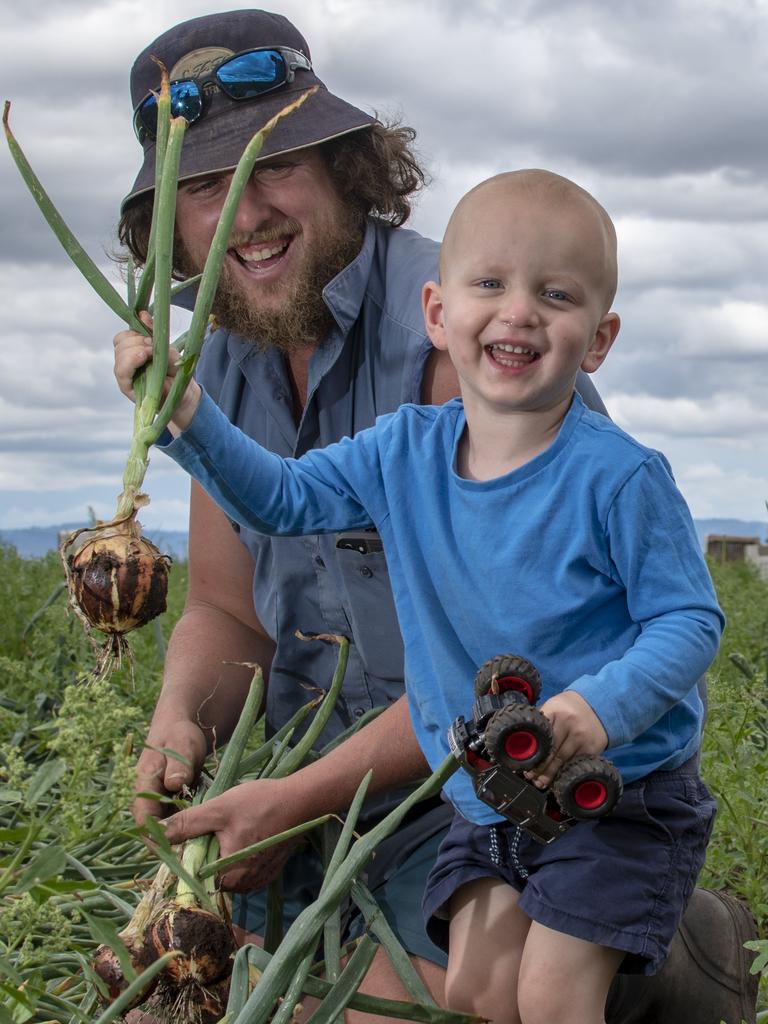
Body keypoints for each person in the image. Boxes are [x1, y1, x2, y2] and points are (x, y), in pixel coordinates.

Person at [118, 10, 758, 1023]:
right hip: (313, 776)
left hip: (480, 763)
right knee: (170, 974)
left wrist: (292, 802)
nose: (242, 213)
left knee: (380, 1005)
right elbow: (229, 613)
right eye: (202, 186)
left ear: (341, 166)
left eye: (269, 168)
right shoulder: (223, 346)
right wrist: (179, 723)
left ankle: (672, 954)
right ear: (171, 221)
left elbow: (517, 667)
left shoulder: (476, 325)